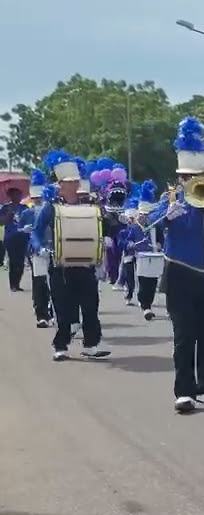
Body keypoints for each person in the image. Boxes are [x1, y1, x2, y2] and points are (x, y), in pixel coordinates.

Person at [147, 117, 204, 412]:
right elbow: (150, 222)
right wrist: (166, 214)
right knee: (184, 336)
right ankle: (183, 390)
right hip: (179, 277)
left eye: (195, 175)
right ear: (179, 176)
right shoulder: (169, 199)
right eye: (185, 176)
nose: (189, 181)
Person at [32, 149, 110, 360]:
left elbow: (100, 229)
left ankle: (91, 344)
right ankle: (61, 345)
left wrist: (106, 238)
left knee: (90, 307)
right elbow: (36, 232)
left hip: (85, 265)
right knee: (63, 309)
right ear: (61, 184)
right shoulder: (51, 208)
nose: (75, 185)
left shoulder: (89, 206)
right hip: (60, 265)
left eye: (76, 181)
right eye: (70, 181)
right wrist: (39, 248)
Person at [127, 180, 163, 321]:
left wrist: (160, 244)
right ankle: (145, 306)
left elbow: (162, 240)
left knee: (153, 283)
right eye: (141, 214)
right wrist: (131, 244)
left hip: (154, 256)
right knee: (142, 281)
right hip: (140, 257)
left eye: (146, 215)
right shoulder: (134, 228)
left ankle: (148, 303)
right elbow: (126, 241)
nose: (143, 217)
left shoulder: (156, 227)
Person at [21, 180, 55, 327]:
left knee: (56, 284)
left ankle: (54, 313)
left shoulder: (53, 210)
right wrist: (24, 230)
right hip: (37, 251)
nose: (38, 201)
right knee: (39, 282)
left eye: (40, 198)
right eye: (35, 199)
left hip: (56, 250)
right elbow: (20, 228)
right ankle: (41, 315)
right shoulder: (28, 212)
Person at [2, 186, 29, 292]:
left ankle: (17, 283)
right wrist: (9, 213)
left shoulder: (24, 208)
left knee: (21, 261)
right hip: (10, 238)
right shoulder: (5, 208)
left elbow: (30, 220)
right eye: (14, 194)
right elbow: (1, 222)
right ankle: (12, 284)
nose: (16, 196)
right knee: (13, 261)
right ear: (10, 196)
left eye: (18, 194)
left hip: (22, 237)